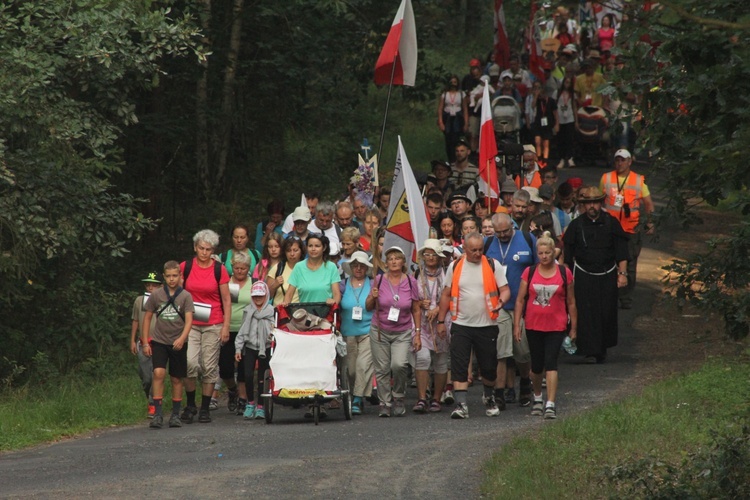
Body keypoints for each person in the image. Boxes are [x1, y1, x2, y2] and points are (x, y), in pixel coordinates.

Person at [436, 233, 511, 419]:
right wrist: (440, 320)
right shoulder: (455, 266)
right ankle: (461, 404)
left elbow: (505, 289)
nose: (478, 254)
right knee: (459, 364)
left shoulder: (494, 265)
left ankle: (489, 396)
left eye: (480, 250)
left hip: (487, 324)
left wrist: (502, 301)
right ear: (465, 249)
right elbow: (446, 294)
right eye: (474, 250)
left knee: (488, 366)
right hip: (461, 323)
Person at [563, 186, 629, 363]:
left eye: (595, 202)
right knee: (585, 311)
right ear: (583, 205)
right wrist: (566, 278)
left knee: (606, 311)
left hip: (607, 274)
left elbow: (622, 251)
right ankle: (588, 349)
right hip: (583, 275)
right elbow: (567, 255)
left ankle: (602, 349)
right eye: (588, 203)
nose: (592, 206)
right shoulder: (576, 226)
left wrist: (622, 274)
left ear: (601, 203)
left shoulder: (611, 222)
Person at [485, 213, 537, 407]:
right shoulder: (488, 243)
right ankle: (499, 393)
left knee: (522, 351)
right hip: (498, 306)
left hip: (522, 305)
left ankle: (525, 382)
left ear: (512, 227)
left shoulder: (526, 239)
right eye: (498, 232)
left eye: (505, 231)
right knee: (501, 352)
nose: (502, 235)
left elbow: (537, 268)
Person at [179, 229, 231, 424]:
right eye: (201, 248)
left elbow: (226, 300)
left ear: (213, 251)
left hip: (214, 322)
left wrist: (225, 327)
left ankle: (205, 407)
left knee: (209, 366)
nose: (204, 252)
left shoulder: (219, 270)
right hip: (190, 323)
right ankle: (190, 404)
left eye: (208, 249)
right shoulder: (186, 267)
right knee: (190, 364)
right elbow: (178, 295)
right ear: (195, 248)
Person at [365, 246, 421, 417]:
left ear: (403, 262)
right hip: (380, 330)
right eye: (390, 259)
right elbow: (368, 307)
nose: (394, 261)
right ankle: (384, 402)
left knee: (398, 365)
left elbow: (416, 309)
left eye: (397, 258)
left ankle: (398, 396)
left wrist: (417, 333)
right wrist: (372, 297)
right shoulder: (379, 280)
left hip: (402, 331)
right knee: (381, 368)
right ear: (385, 263)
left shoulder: (411, 281)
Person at [141, 261, 195, 429]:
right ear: (164, 277)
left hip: (178, 342)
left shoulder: (185, 296)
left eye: (175, 276)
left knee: (176, 378)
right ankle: (157, 414)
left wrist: (182, 338)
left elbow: (189, 320)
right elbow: (147, 317)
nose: (172, 279)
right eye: (169, 276)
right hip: (159, 341)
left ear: (180, 277)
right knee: (158, 373)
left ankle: (175, 415)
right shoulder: (156, 295)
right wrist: (145, 341)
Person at [600, 149, 655, 309]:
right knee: (608, 261)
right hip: (610, 228)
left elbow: (648, 203)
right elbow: (598, 200)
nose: (620, 163)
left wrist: (650, 222)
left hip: (631, 229)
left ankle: (625, 297)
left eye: (623, 160)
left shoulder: (638, 180)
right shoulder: (606, 178)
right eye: (617, 160)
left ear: (629, 162)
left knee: (630, 264)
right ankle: (609, 294)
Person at [412, 240, 450, 413]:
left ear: (439, 256)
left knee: (441, 361)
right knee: (423, 358)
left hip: (442, 321)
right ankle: (421, 398)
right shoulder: (416, 274)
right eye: (426, 254)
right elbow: (411, 300)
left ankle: (436, 398)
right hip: (422, 323)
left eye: (433, 254)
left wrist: (438, 309)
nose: (430, 258)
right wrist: (421, 303)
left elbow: (453, 296)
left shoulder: (447, 274)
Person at [339, 251, 375, 415]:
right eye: (355, 265)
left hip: (368, 331)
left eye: (362, 265)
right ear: (351, 267)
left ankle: (358, 398)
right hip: (348, 332)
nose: (359, 268)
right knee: (351, 369)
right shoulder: (343, 284)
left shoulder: (373, 284)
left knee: (363, 366)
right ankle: (354, 395)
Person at [233, 280, 274, 420]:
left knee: (263, 377)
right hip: (250, 347)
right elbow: (242, 330)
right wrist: (238, 349)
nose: (258, 299)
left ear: (266, 295)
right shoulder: (248, 311)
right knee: (248, 375)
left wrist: (271, 333)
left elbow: (275, 330)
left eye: (261, 296)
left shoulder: (271, 311)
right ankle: (250, 403)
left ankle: (261, 406)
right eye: (255, 296)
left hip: (265, 347)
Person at [220, 252, 253, 416]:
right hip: (227, 328)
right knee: (224, 367)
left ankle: (242, 398)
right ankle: (231, 389)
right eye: (236, 268)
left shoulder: (253, 283)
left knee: (243, 367)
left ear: (248, 268)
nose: (239, 271)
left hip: (246, 330)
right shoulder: (226, 282)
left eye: (243, 268)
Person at [130, 272, 161, 418]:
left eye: (154, 285)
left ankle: (153, 402)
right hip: (143, 342)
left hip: (159, 342)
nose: (150, 288)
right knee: (146, 376)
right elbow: (135, 320)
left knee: (156, 373)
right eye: (148, 285)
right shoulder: (139, 300)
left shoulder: (163, 300)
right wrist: (132, 340)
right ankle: (149, 393)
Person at [283, 233, 341, 306]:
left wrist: (334, 302)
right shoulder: (299, 267)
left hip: (326, 314)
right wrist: (285, 306)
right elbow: (289, 294)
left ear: (324, 247)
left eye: (317, 246)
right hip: (304, 315)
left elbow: (336, 294)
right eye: (310, 246)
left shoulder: (331, 267)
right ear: (306, 247)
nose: (313, 249)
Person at [437, 75, 469, 163]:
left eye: (455, 82)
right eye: (452, 82)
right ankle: (450, 159)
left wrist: (466, 123)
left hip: (458, 119)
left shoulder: (461, 94)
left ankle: (457, 158)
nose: (453, 84)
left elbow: (465, 109)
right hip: (448, 118)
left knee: (457, 139)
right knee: (448, 140)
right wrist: (440, 122)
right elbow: (440, 109)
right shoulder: (445, 94)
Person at [267, 237, 305, 305]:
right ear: (284, 252)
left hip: (301, 312)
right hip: (281, 312)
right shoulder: (277, 268)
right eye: (288, 250)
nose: (292, 254)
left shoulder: (307, 269)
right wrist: (274, 285)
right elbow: (266, 297)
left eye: (295, 250)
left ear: (301, 251)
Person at [529, 82, 559, 167]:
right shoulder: (538, 100)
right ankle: (539, 158)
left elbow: (555, 113)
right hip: (538, 123)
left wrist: (557, 124)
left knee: (546, 143)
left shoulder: (551, 101)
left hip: (548, 124)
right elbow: (533, 106)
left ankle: (545, 160)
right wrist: (535, 96)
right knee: (537, 141)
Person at [556, 75, 577, 168]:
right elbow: (554, 107)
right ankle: (561, 158)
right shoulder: (557, 93)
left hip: (569, 118)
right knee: (561, 140)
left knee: (570, 139)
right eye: (566, 82)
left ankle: (570, 158)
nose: (567, 84)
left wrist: (576, 120)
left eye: (569, 82)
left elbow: (574, 107)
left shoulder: (572, 94)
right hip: (560, 119)